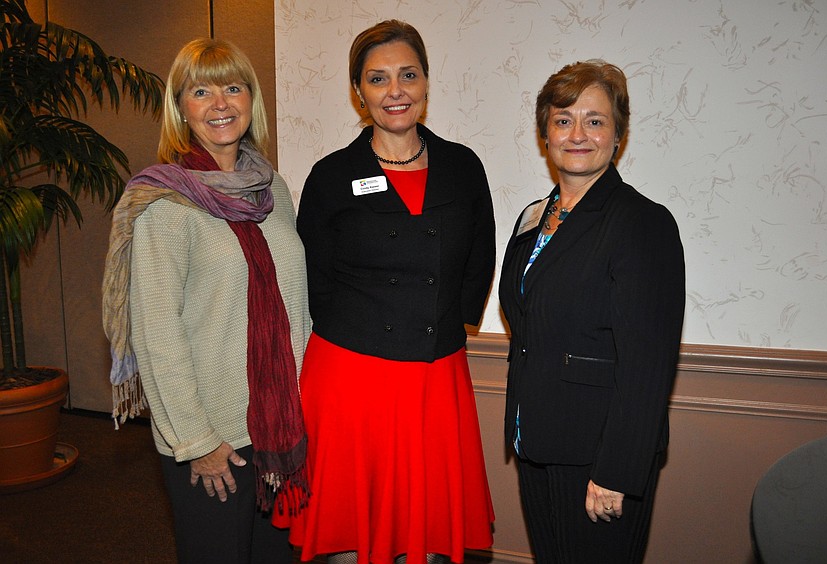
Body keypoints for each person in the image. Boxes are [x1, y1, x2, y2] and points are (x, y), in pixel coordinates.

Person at [273, 19, 496, 564]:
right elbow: (313, 278)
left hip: (433, 375)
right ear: (358, 92)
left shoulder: (463, 166)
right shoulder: (331, 176)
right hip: (352, 376)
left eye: (407, 75)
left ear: (425, 82)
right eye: (377, 79)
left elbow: (480, 258)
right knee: (352, 539)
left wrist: (453, 323)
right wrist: (350, 336)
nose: (395, 91)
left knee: (428, 541)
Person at [102, 38, 310, 564]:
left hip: (281, 432)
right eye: (201, 91)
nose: (220, 104)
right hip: (213, 439)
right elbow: (156, 332)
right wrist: (196, 439)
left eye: (233, 88)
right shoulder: (165, 203)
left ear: (251, 100)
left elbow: (298, 305)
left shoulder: (272, 188)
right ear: (181, 108)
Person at [499, 60, 686, 563]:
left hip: (599, 457)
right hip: (537, 441)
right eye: (563, 120)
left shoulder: (642, 223)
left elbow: (647, 365)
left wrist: (616, 472)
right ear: (545, 134)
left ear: (618, 134)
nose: (577, 133)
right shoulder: (532, 218)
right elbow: (529, 322)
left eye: (595, 120)